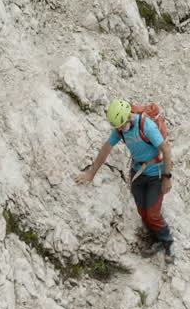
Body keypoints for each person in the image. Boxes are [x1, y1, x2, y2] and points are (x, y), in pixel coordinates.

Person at [75, 99, 176, 263]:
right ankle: (155, 237)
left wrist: (167, 177)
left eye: (121, 125)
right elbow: (106, 149)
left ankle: (167, 241)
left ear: (129, 117)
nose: (119, 129)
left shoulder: (146, 126)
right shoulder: (120, 130)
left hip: (155, 174)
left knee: (152, 213)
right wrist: (91, 173)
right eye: (117, 127)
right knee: (142, 211)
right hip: (137, 172)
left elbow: (165, 149)